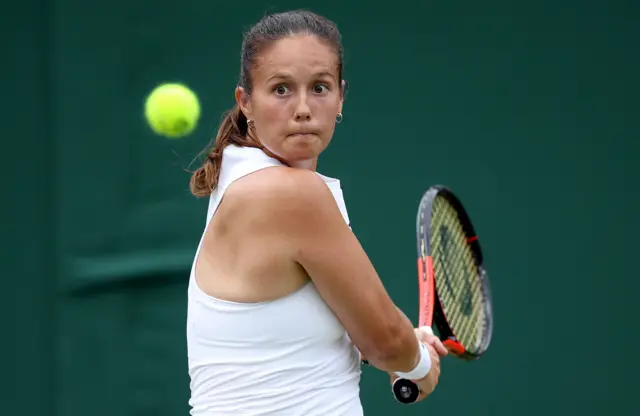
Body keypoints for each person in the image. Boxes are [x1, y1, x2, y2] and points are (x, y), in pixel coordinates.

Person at [186, 9, 448, 416]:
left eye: (320, 88)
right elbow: (384, 341)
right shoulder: (290, 194)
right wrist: (418, 362)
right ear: (246, 102)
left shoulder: (242, 177)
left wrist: (402, 349)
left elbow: (329, 334)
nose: (304, 108)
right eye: (281, 89)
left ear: (341, 96)